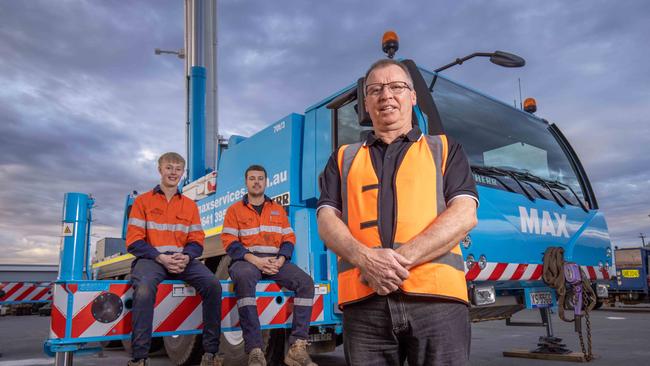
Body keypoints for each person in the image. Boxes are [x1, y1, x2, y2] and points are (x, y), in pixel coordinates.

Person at [317, 59, 479, 366]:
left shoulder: (445, 149)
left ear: (413, 96)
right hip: (364, 306)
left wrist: (394, 264)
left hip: (437, 301)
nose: (385, 95)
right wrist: (365, 259)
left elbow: (464, 214)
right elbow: (326, 221)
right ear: (366, 102)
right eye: (375, 89)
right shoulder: (342, 158)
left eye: (396, 87)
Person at [126, 152, 223, 366]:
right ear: (160, 169)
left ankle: (211, 354)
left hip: (182, 260)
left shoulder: (190, 205)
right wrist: (160, 257)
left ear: (182, 173)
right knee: (143, 290)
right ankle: (139, 357)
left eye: (178, 169)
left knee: (213, 285)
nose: (173, 172)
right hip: (151, 260)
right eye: (169, 168)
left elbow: (197, 239)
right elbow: (133, 241)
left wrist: (187, 256)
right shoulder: (143, 201)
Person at [222, 165, 317, 366]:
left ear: (266, 182)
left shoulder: (277, 210)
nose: (256, 182)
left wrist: (281, 259)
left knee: (306, 283)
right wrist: (256, 260)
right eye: (252, 178)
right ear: (246, 182)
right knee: (244, 278)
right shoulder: (234, 210)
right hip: (247, 262)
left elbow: (289, 238)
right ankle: (255, 350)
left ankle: (297, 347)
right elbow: (229, 242)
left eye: (260, 178)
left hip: (275, 261)